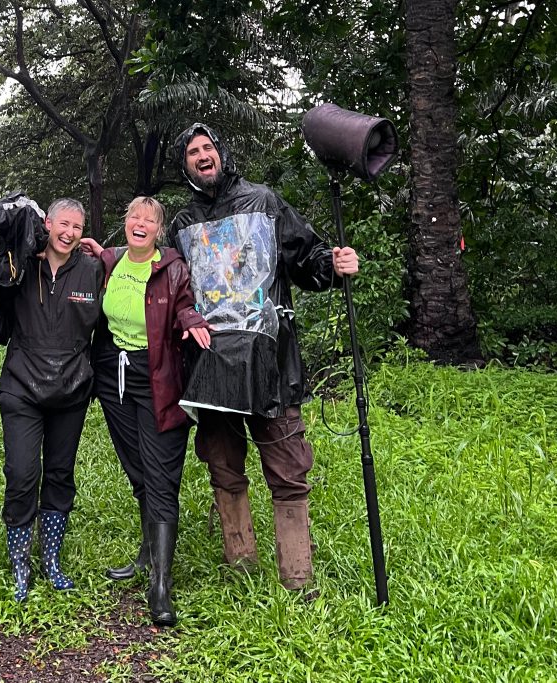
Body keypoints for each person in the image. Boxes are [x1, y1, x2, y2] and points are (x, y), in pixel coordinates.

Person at [169, 123, 359, 595]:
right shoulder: (182, 223)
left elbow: (307, 255)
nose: (202, 155)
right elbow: (171, 288)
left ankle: (298, 577)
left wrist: (333, 265)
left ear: (221, 152)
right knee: (222, 464)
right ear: (185, 165)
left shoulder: (264, 201)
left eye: (208, 147)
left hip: (270, 359)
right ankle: (241, 567)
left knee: (287, 464)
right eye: (192, 151)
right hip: (211, 365)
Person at [81, 196, 210, 626]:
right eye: (134, 216)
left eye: (149, 220)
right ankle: (146, 555)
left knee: (161, 479)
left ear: (159, 229)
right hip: (114, 378)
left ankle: (161, 583)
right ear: (126, 222)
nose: (140, 223)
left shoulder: (172, 267)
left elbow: (184, 304)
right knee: (137, 470)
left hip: (158, 379)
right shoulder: (111, 261)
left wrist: (191, 320)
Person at [0, 198, 103, 602]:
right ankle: (20, 562)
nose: (69, 233)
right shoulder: (20, 265)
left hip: (72, 388)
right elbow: (0, 328)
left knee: (60, 474)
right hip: (21, 386)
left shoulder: (93, 270)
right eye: (63, 224)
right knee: (21, 473)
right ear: (47, 223)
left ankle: (51, 559)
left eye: (77, 227)